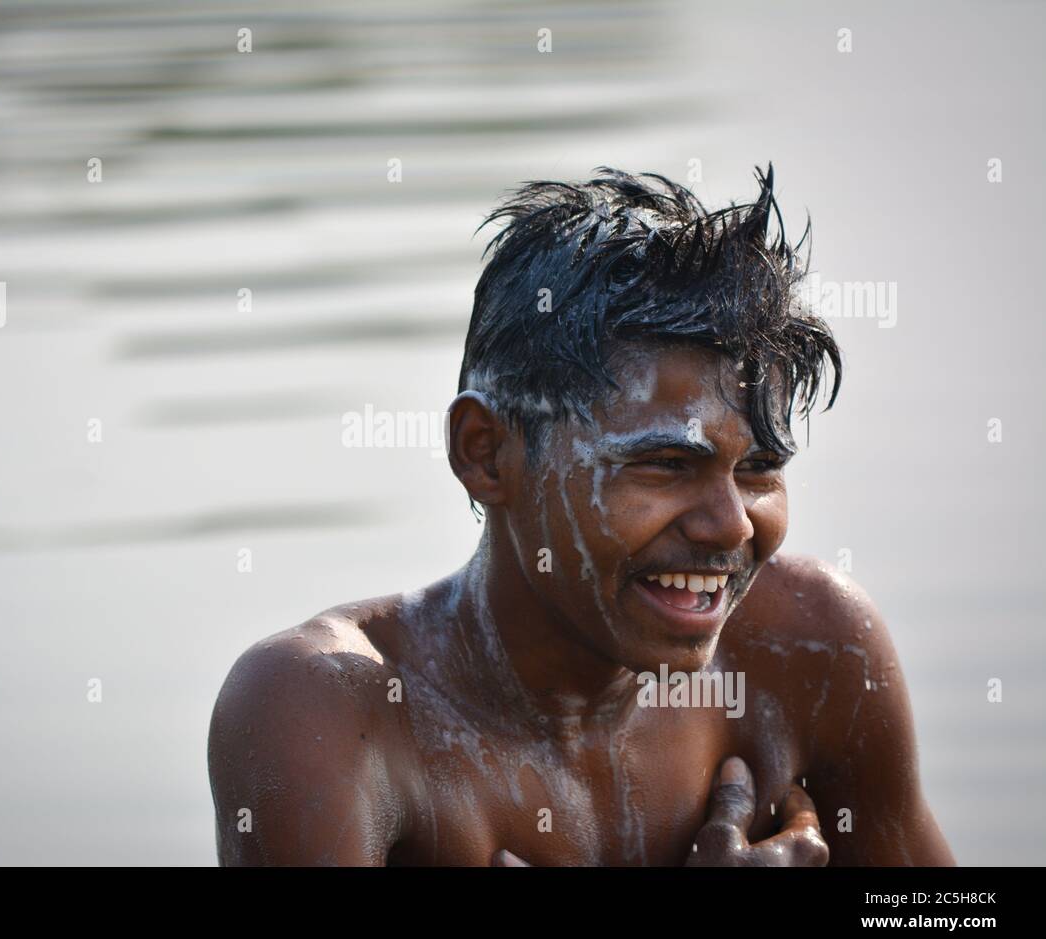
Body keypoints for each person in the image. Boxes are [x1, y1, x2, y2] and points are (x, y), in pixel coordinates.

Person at [207, 165, 955, 866]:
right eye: (666, 465)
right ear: (487, 453)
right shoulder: (333, 711)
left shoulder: (812, 646)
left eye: (758, 469)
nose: (731, 526)